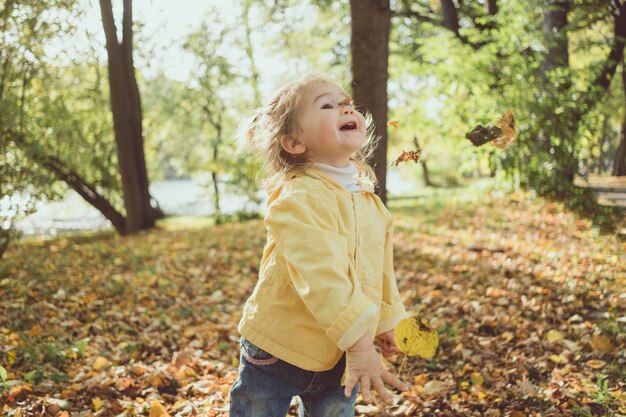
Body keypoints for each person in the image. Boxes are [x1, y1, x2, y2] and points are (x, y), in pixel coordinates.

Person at [229, 73, 409, 417]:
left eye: (347, 103)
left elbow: (381, 271)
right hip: (279, 350)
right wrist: (359, 342)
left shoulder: (368, 201)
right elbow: (322, 277)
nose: (344, 108)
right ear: (294, 142)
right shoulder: (298, 199)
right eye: (328, 105)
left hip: (339, 355)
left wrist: (387, 320)